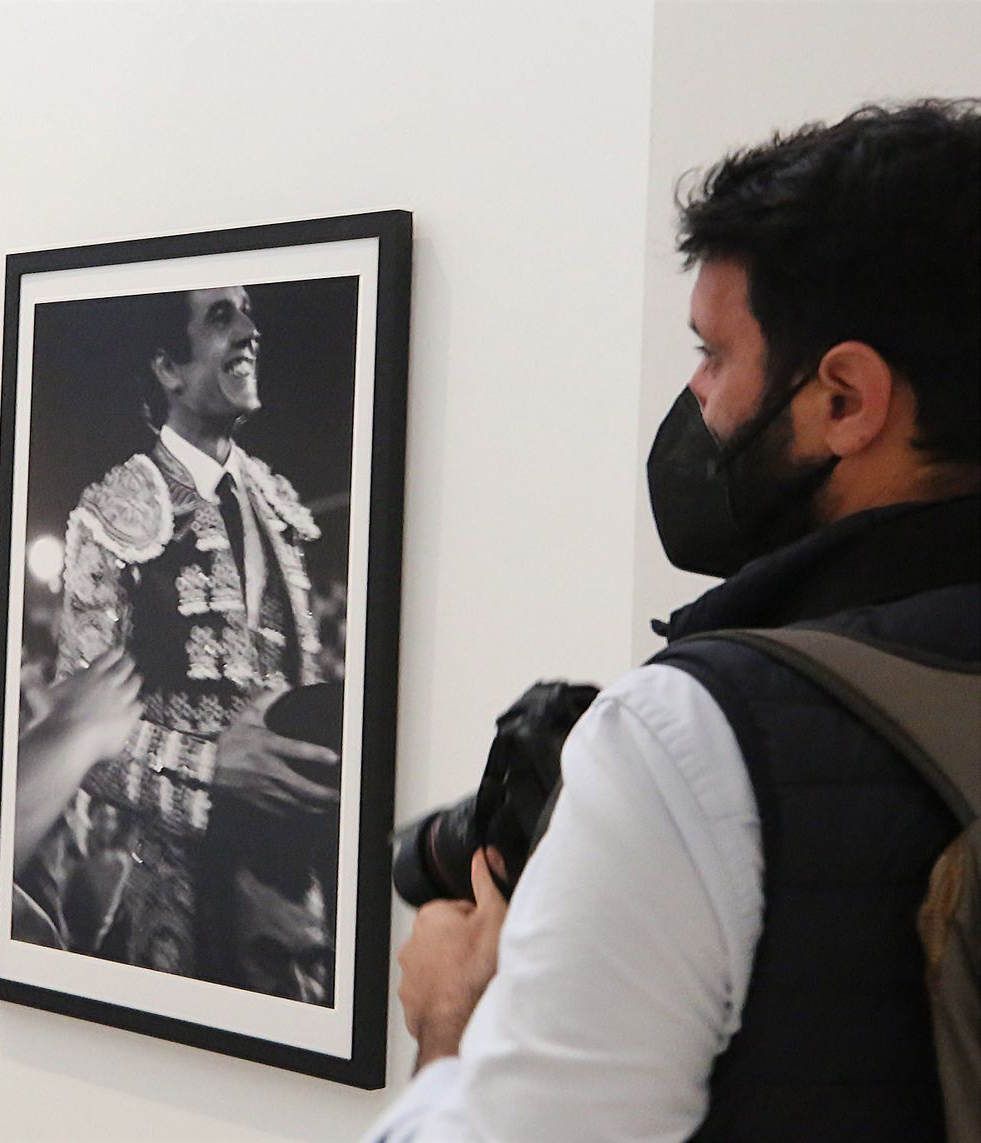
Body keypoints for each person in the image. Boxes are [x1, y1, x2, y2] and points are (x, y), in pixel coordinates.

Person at [366, 99, 979, 1141]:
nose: (695, 397)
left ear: (844, 400)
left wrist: (451, 1030)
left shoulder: (696, 735)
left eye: (712, 354)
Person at [25, 285, 342, 1000]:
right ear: (168, 366)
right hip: (178, 892)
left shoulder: (276, 503)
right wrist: (210, 768)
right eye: (221, 317)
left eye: (250, 311)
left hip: (296, 886)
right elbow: (77, 731)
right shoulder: (115, 514)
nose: (250, 331)